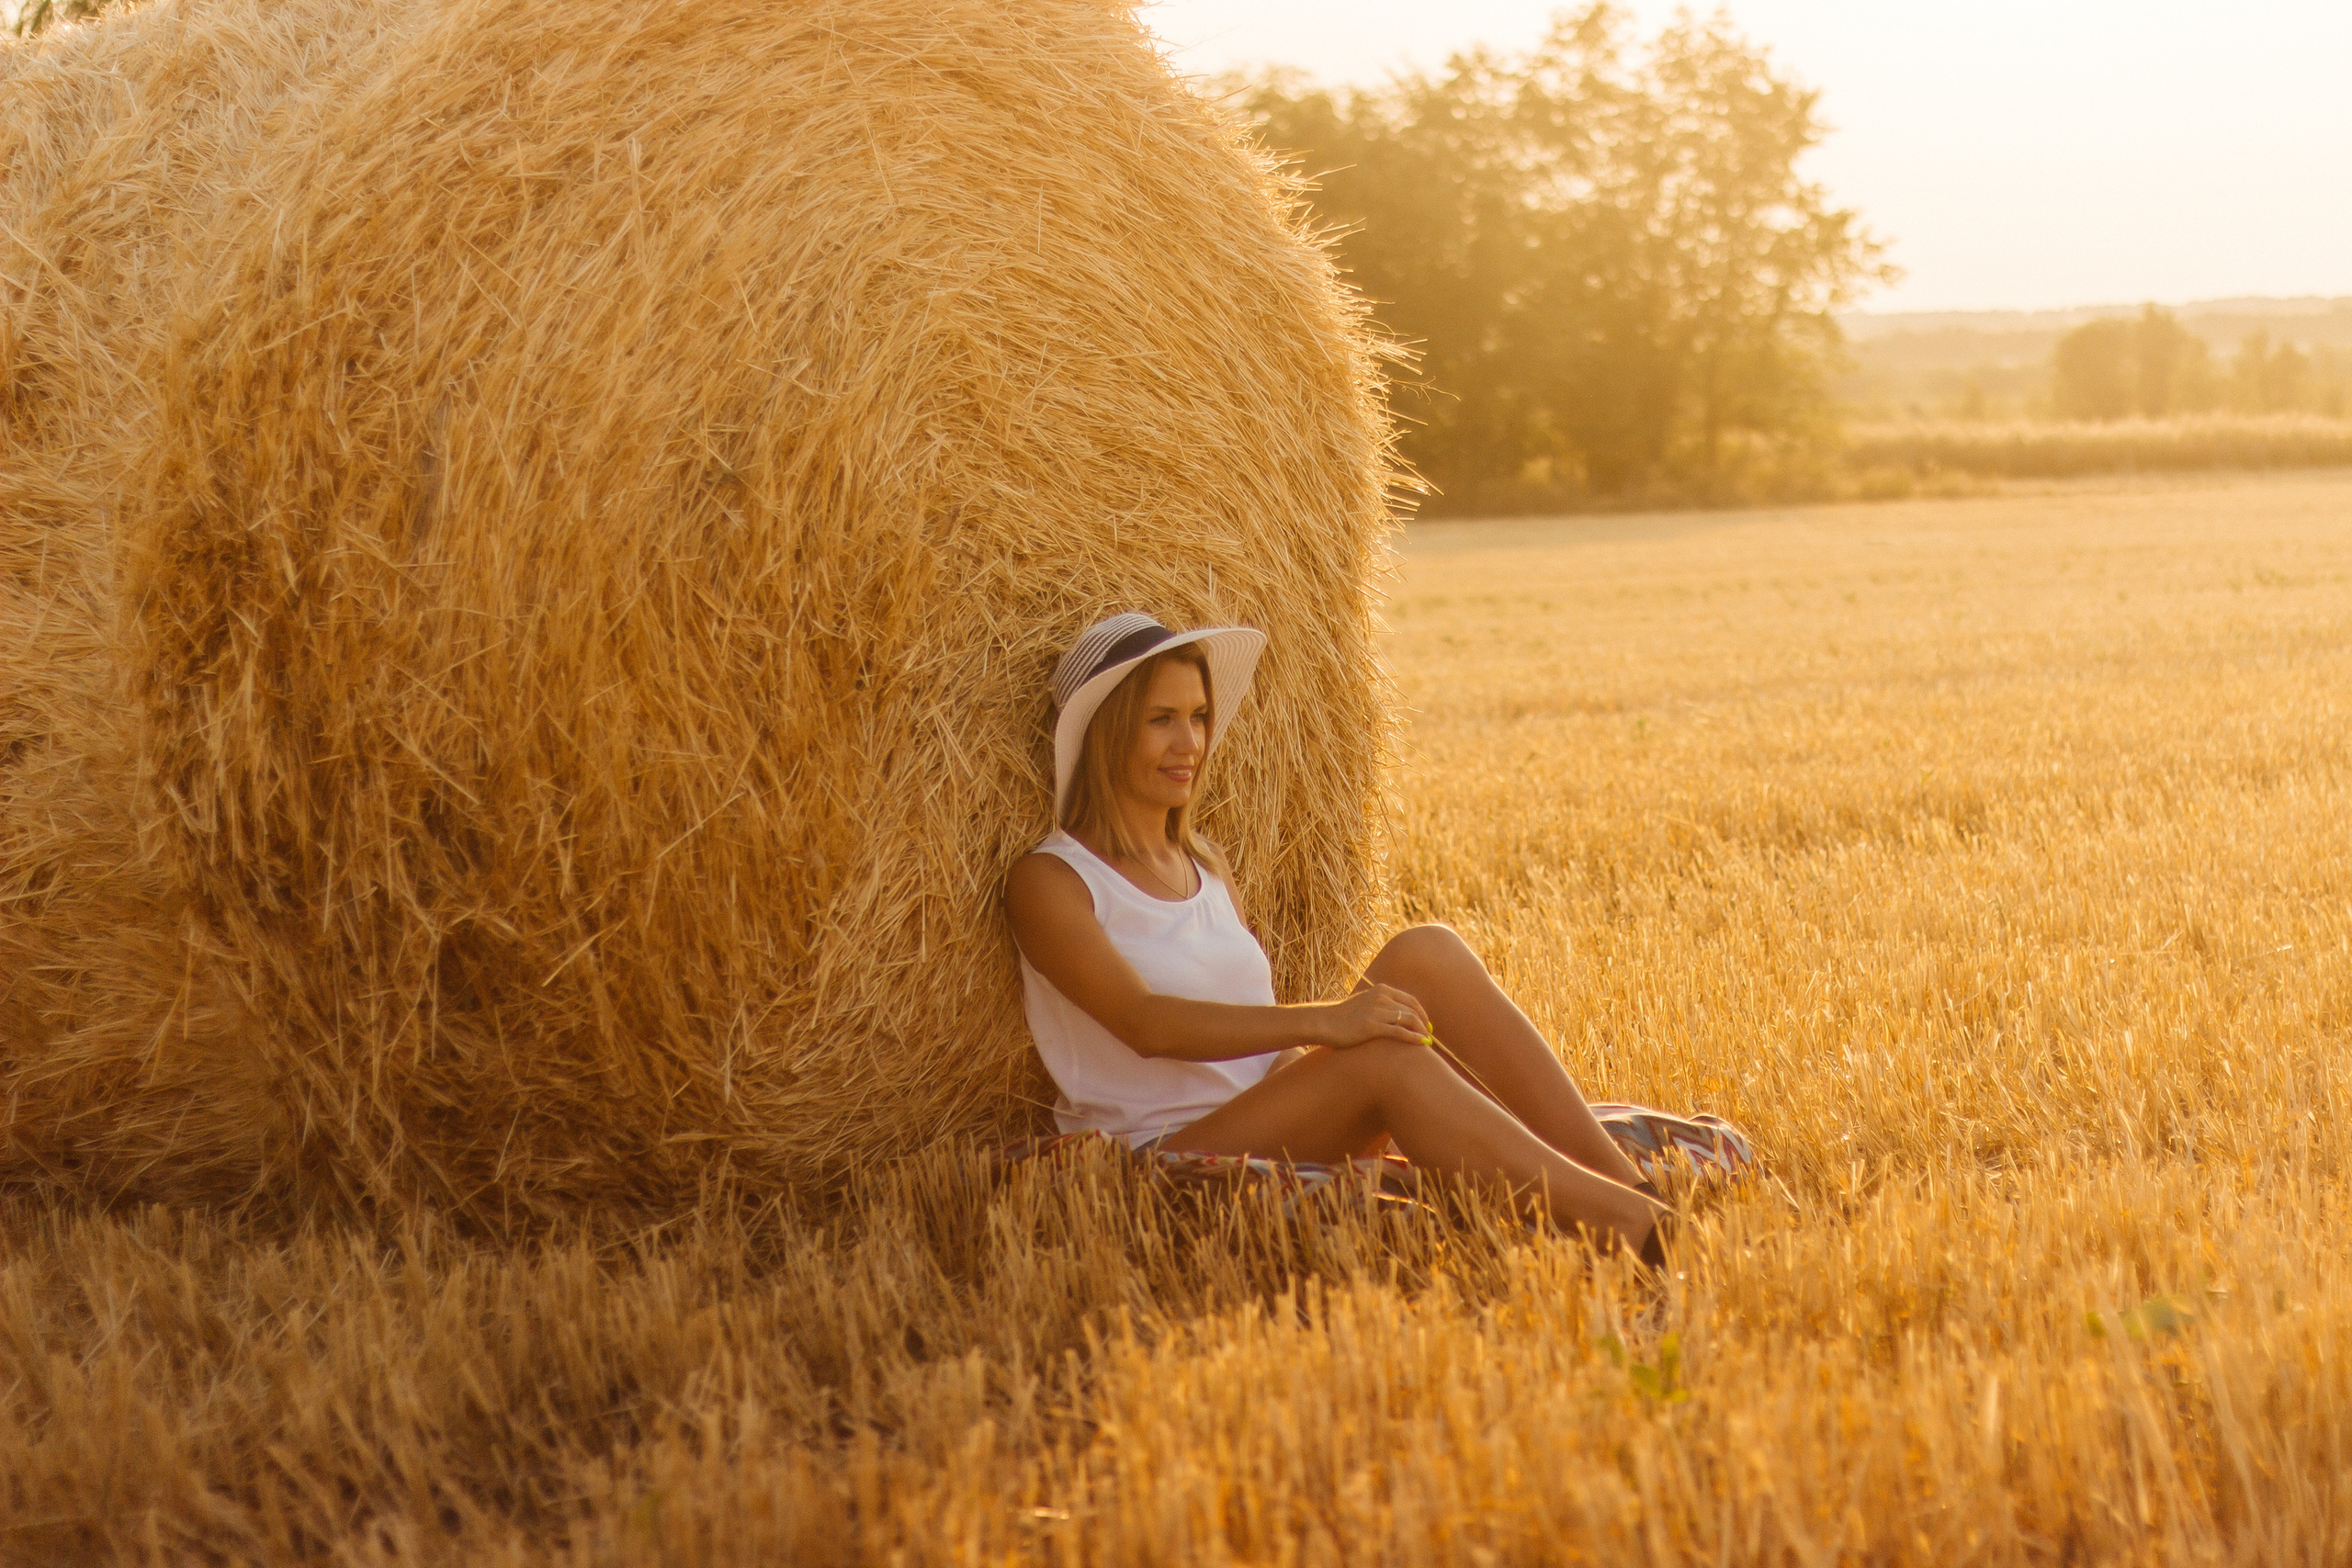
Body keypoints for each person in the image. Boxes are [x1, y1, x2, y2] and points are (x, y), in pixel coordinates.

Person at [1006, 613, 1675, 1264]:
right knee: (1382, 1057)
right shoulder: (1054, 879)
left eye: (1199, 716)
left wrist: (1314, 1064)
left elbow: (1254, 1057)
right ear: (1104, 733)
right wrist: (1332, 1026)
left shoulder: (1205, 866)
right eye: (1162, 720)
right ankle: (1630, 1226)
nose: (1191, 744)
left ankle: (1632, 1185)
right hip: (1168, 1151)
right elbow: (1145, 1024)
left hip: (1270, 1116)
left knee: (1427, 951)